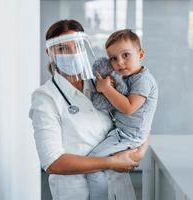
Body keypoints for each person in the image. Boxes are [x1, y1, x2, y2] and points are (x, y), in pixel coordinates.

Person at [29, 19, 149, 200]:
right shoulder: (45, 97)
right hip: (78, 192)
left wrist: (137, 154)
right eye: (62, 49)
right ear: (50, 53)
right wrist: (111, 162)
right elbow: (53, 162)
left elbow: (140, 118)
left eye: (77, 47)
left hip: (119, 188)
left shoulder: (104, 84)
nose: (72, 54)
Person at [86, 29, 158, 200]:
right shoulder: (128, 77)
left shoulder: (143, 80)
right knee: (115, 173)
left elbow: (128, 108)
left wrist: (106, 88)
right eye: (113, 58)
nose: (120, 63)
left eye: (126, 55)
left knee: (93, 164)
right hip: (124, 133)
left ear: (140, 54)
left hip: (129, 136)